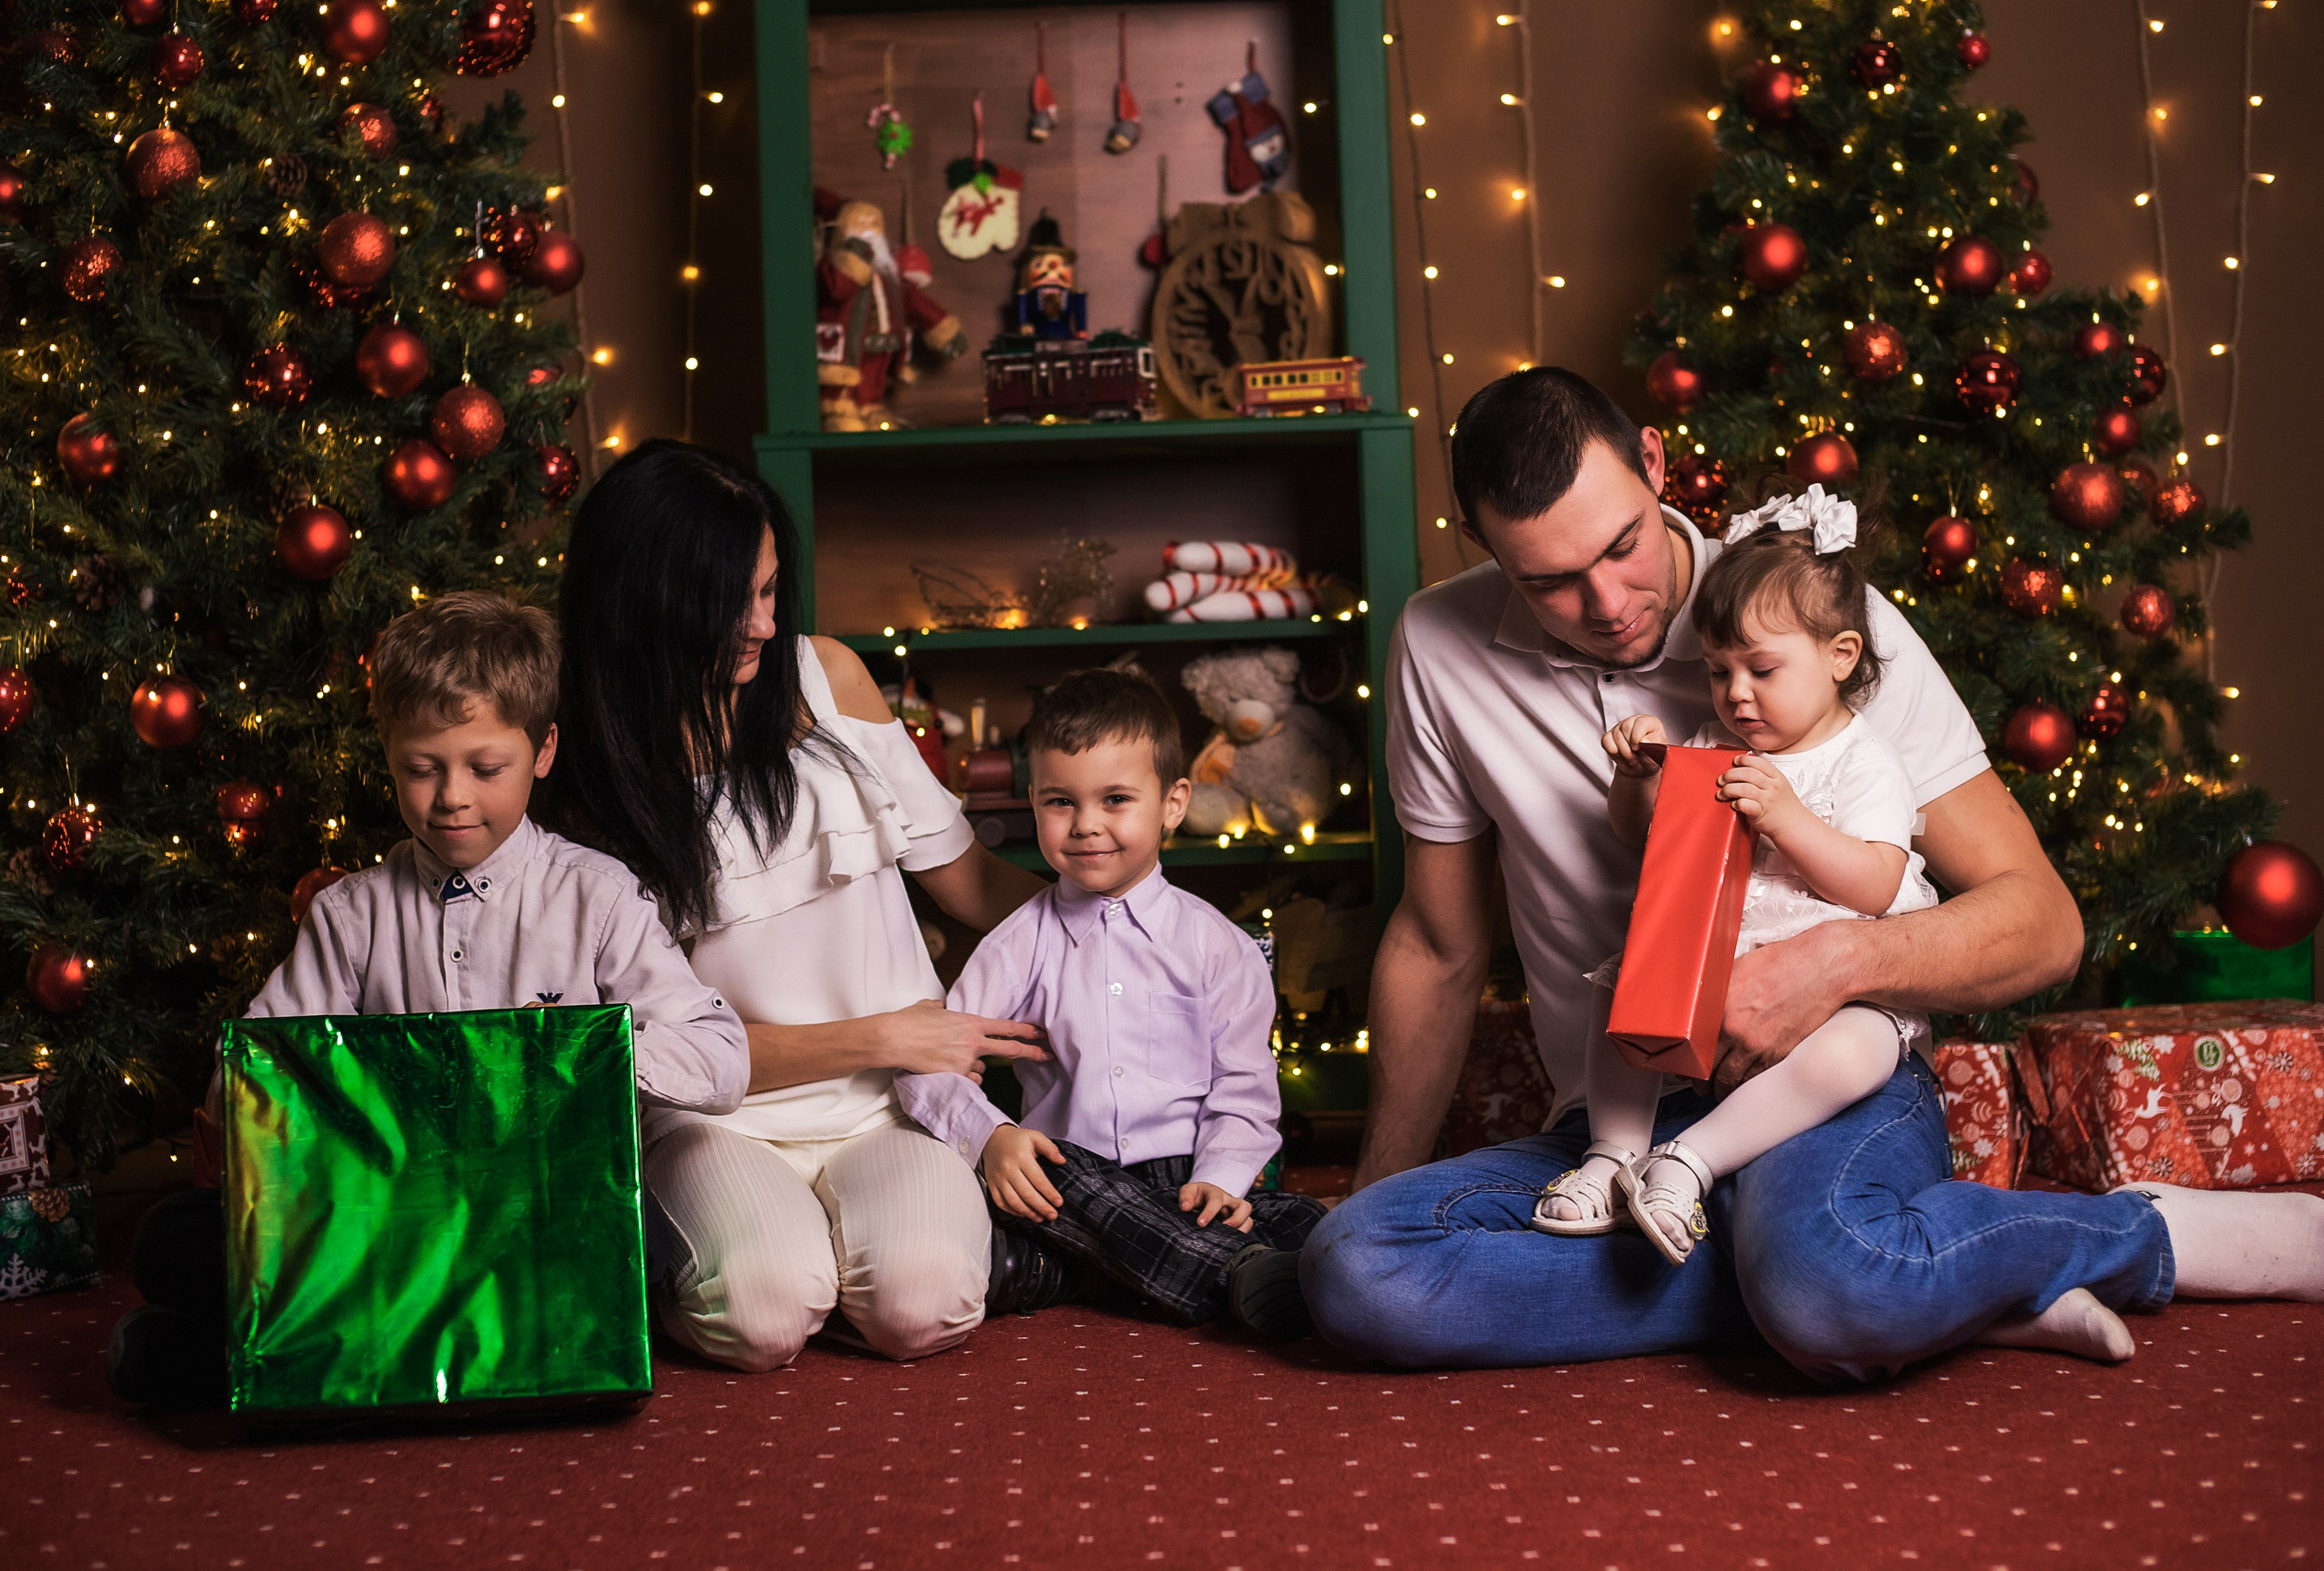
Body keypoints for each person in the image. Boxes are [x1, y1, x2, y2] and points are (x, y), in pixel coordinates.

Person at [1299, 367, 2324, 1381]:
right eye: (1548, 582)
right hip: (1621, 1117)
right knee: (1357, 1271)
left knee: (1821, 1278)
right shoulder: (1436, 641)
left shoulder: (1813, 611)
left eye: (1622, 545)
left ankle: (2123, 1235)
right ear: (1482, 544)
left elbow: (2044, 924)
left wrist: (1833, 965)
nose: (1606, 603)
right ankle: (1903, 1277)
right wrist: (1374, 1182)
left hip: (1829, 1094)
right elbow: (1437, 943)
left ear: (1653, 462)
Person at [108, 592, 748, 1405]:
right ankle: (444, 1352)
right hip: (391, 1212)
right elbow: (251, 1074)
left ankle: (232, 1360)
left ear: (543, 750)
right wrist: (336, 1099)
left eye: (485, 768)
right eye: (422, 768)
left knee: (631, 1239)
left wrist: (569, 1052)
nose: (452, 796)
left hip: (536, 1209)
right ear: (389, 756)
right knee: (171, 1238)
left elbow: (722, 1057)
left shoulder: (598, 896)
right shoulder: (351, 915)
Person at [551, 441, 1050, 1374]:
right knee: (764, 1315)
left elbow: (974, 883)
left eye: (772, 589)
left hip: (891, 1105)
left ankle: (845, 1256)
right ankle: (704, 1259)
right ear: (650, 602)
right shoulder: (587, 784)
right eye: (733, 602)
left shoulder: (827, 675)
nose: (764, 623)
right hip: (716, 1121)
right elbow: (650, 1052)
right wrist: (885, 1034)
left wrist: (1139, 915)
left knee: (925, 1306)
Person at [1536, 484, 1939, 1265]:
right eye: (1720, 671)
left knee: (1862, 1050)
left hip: (1827, 997)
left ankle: (1690, 1160)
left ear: (1840, 656)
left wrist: (1789, 818)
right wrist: (1638, 779)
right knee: (1622, 987)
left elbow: (1876, 884)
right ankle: (1613, 1152)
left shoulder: (1864, 760)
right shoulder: (1712, 743)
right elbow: (1641, 837)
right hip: (1709, 964)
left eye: (1762, 668)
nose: (1737, 694)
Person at [896, 667, 1329, 1338]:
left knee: (1307, 1220)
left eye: (1117, 799)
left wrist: (1221, 1180)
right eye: (1060, 801)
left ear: (1173, 803)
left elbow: (1244, 1090)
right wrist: (992, 1138)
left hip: (1187, 1179)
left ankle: (1096, 1269)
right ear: (1033, 801)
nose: (1086, 825)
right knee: (1054, 1172)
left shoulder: (1218, 945)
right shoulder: (1019, 943)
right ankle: (1229, 1270)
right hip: (1071, 1180)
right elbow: (930, 1063)